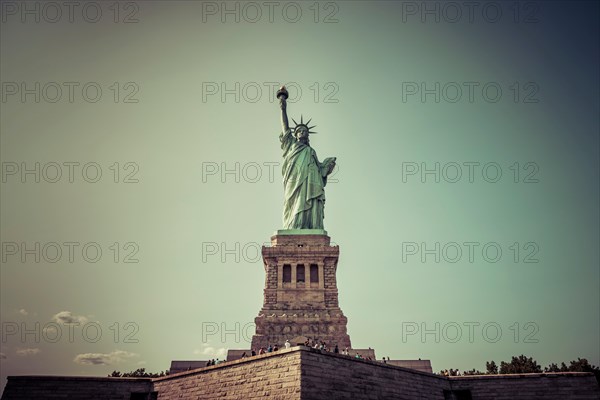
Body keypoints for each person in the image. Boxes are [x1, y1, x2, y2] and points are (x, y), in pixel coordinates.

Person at [277, 87, 336, 229]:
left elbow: (320, 169)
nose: (302, 132)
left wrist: (326, 167)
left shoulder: (311, 151)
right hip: (295, 179)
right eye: (299, 131)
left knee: (312, 203)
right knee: (295, 203)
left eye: (305, 131)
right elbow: (285, 127)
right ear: (296, 134)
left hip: (311, 181)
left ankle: (311, 225)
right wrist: (282, 107)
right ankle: (294, 226)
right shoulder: (291, 144)